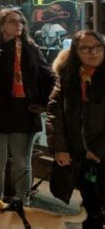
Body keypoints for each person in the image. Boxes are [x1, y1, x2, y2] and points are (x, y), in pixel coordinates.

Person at [0, 9, 54, 204]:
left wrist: (42, 102)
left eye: (21, 21)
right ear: (1, 25)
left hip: (24, 114)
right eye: (12, 21)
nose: (18, 25)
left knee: (22, 163)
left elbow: (49, 76)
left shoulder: (30, 49)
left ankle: (23, 204)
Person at [49, 30, 105, 229]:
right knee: (90, 207)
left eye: (98, 46)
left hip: (100, 154)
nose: (94, 52)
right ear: (75, 52)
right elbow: (55, 114)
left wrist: (98, 150)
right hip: (79, 156)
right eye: (86, 48)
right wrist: (60, 148)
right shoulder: (67, 76)